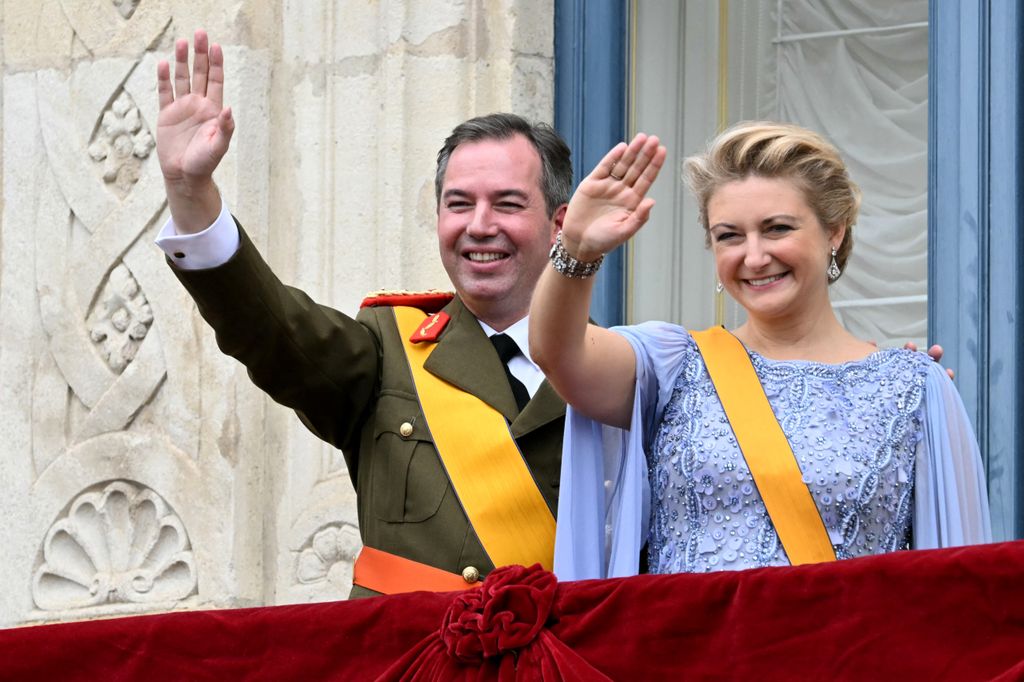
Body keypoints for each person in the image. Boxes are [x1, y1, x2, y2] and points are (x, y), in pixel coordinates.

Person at [154, 31, 572, 598]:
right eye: (458, 203)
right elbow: (270, 328)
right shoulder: (388, 349)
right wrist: (190, 191)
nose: (478, 225)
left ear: (560, 223)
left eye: (507, 203)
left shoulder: (612, 372)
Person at [529, 122, 992, 580]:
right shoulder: (674, 364)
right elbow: (559, 352)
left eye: (777, 229)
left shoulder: (912, 387)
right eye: (730, 236)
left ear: (834, 231)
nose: (753, 257)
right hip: (690, 653)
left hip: (844, 654)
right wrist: (576, 249)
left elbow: (959, 587)